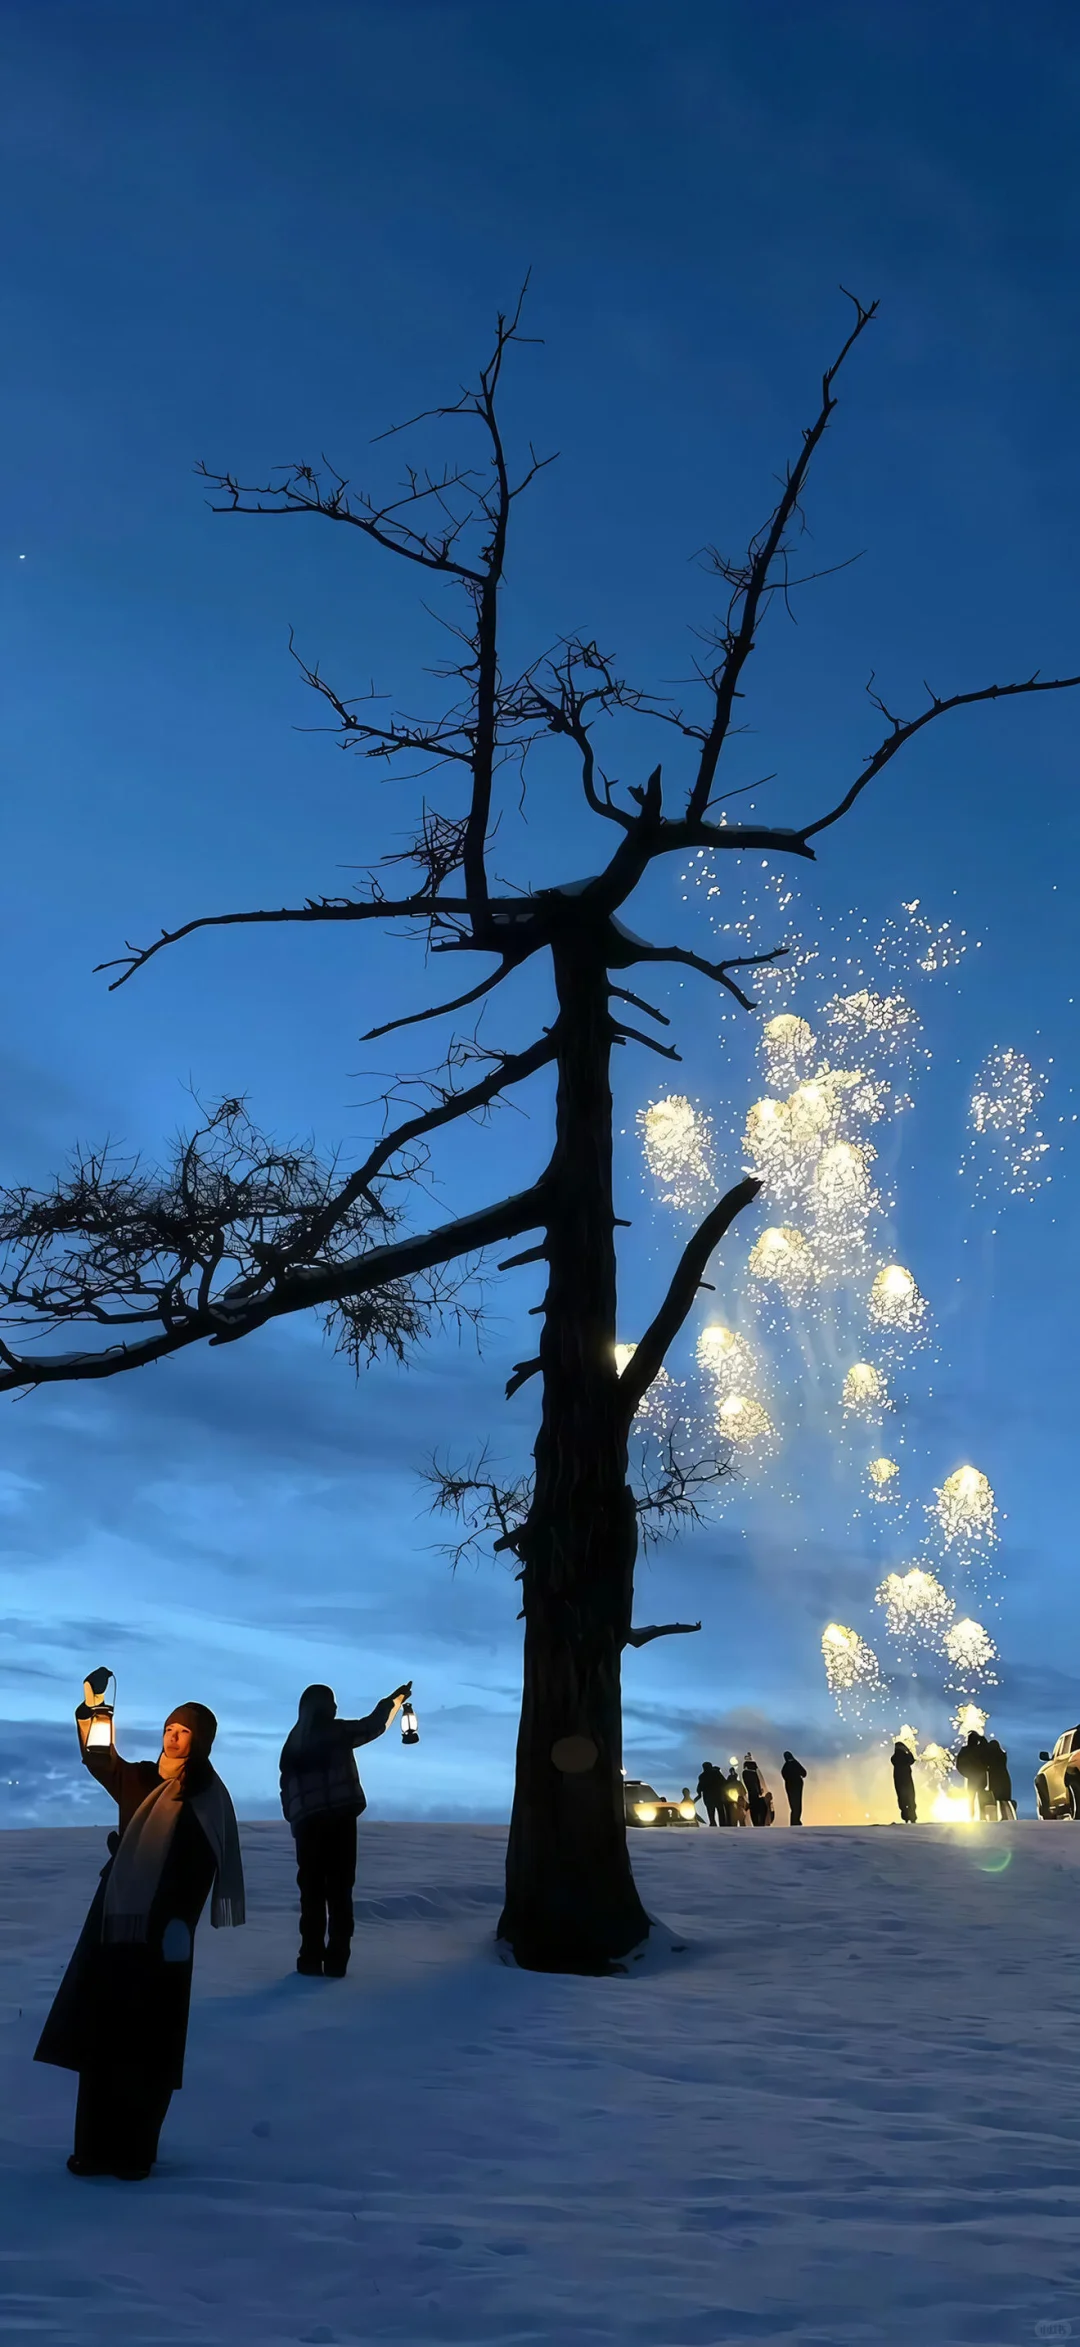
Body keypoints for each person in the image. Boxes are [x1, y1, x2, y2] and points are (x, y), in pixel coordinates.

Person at [36, 1686, 245, 2181]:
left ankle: (134, 2152)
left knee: (149, 2042)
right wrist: (93, 1712)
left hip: (164, 1936)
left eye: (184, 1732)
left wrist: (179, 1925)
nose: (173, 1738)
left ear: (201, 1740)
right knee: (103, 2035)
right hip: (115, 1923)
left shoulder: (208, 1797)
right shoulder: (142, 1779)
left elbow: (202, 1867)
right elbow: (101, 1759)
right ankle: (92, 2149)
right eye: (169, 1729)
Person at [279, 1679, 411, 1977]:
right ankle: (337, 1960)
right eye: (332, 1702)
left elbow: (285, 1787)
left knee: (311, 1894)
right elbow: (372, 1726)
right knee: (340, 1892)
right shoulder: (336, 1732)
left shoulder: (293, 1743)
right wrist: (393, 1701)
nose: (336, 1707)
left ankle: (309, 1958)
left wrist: (295, 1817)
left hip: (307, 1828)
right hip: (339, 1821)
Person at [955, 1731, 989, 1820]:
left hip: (972, 1778)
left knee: (972, 1799)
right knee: (980, 1798)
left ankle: (972, 1817)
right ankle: (981, 1817)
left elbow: (959, 1765)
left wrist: (967, 1774)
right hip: (980, 1778)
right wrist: (981, 1738)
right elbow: (986, 1746)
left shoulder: (965, 1750)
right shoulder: (979, 1749)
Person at [984, 1737, 1016, 1821]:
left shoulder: (991, 1757)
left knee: (996, 1799)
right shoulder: (1002, 1755)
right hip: (1004, 1779)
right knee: (1004, 1799)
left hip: (994, 1779)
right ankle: (1006, 1816)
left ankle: (996, 1817)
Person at [891, 1739, 917, 1824]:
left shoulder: (894, 1758)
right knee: (910, 1798)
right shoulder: (905, 1757)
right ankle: (912, 1817)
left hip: (898, 1782)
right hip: (907, 1781)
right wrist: (908, 1751)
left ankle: (906, 1817)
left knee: (902, 1800)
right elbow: (911, 1760)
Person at [743, 1751, 772, 1827]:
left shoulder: (746, 1773)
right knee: (758, 1808)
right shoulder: (751, 1773)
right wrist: (759, 1791)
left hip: (753, 1794)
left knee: (754, 1809)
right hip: (754, 1794)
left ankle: (757, 1823)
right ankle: (759, 1822)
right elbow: (756, 1782)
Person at [696, 1760, 725, 1827]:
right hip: (718, 1796)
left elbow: (700, 1787)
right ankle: (723, 1825)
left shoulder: (702, 1776)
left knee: (711, 1813)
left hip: (708, 1798)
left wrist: (699, 1794)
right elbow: (723, 1782)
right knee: (721, 1812)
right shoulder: (716, 1773)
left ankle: (713, 1824)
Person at [781, 1750, 807, 1825]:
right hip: (798, 1785)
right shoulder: (796, 1763)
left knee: (792, 1805)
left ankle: (793, 1821)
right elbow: (804, 1773)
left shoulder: (785, 1767)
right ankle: (796, 1821)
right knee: (798, 1804)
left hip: (789, 1786)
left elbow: (784, 1775)